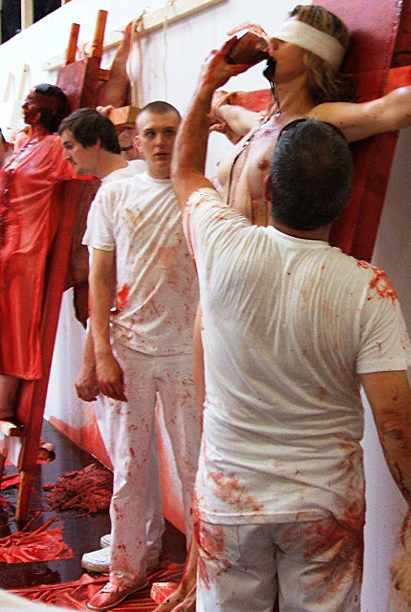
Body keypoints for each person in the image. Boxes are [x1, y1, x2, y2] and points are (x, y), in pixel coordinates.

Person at [155, 5, 411, 610]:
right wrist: (213, 81)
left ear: (312, 58)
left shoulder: (315, 126)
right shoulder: (260, 124)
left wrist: (209, 86)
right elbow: (215, 121)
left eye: (282, 42)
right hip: (227, 309)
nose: (271, 44)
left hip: (283, 307)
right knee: (210, 456)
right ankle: (199, 559)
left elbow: (391, 109)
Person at [62, 101, 200, 611]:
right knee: (129, 468)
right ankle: (128, 567)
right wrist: (101, 352)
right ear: (136, 142)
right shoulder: (116, 193)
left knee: (195, 467)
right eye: (152, 134)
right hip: (130, 352)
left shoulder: (199, 192)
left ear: (180, 136)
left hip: (187, 354)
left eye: (170, 132)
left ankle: (198, 574)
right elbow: (98, 275)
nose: (161, 141)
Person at [59, 108, 163, 577]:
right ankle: (138, 532)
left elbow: (107, 285)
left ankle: (134, 546)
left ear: (91, 143)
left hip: (128, 339)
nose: (67, 157)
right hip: (149, 333)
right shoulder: (140, 177)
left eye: (69, 147)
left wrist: (93, 359)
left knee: (128, 447)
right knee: (138, 447)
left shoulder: (114, 193)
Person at [0, 83, 73, 420]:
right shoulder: (22, 141)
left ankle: (6, 406)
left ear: (44, 110)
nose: (24, 108)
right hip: (5, 242)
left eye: (30, 104)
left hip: (28, 248)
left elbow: (81, 169)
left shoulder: (55, 147)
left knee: (15, 327)